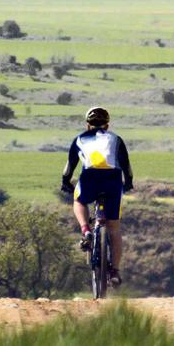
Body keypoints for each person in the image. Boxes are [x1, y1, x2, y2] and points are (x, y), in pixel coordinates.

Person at [62, 107, 133, 287]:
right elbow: (126, 165)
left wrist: (65, 181)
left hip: (90, 178)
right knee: (114, 229)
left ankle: (86, 230)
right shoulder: (116, 139)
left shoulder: (79, 139)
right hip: (112, 180)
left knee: (79, 200)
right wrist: (129, 182)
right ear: (107, 125)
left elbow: (69, 166)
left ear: (88, 125)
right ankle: (115, 272)